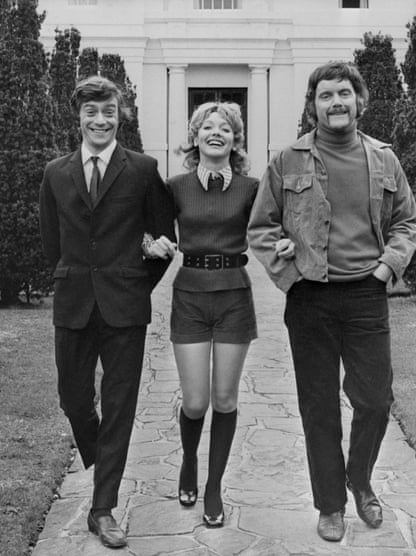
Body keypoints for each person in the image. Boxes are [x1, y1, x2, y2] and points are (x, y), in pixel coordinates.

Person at [247, 61, 416, 542]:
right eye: (326, 95)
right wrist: (288, 272)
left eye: (344, 93)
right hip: (311, 299)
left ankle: (359, 477)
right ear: (313, 104)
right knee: (318, 404)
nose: (336, 102)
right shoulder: (287, 161)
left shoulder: (384, 158)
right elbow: (261, 228)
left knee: (375, 399)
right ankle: (331, 504)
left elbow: (406, 221)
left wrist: (387, 266)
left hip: (366, 295)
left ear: (359, 101)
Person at [39, 76, 175, 549]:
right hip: (73, 303)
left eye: (109, 113)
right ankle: (103, 461)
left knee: (119, 409)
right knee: (74, 399)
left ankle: (103, 509)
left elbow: (163, 241)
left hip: (124, 309)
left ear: (121, 116)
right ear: (76, 117)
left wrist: (138, 282)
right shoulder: (56, 172)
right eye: (92, 113)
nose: (101, 121)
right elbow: (51, 243)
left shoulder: (141, 169)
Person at [147, 102, 258, 528]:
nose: (216, 132)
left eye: (225, 128)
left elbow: (270, 229)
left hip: (234, 296)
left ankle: (213, 486)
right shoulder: (174, 186)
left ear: (235, 138)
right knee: (195, 401)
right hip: (190, 295)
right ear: (194, 137)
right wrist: (148, 244)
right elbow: (152, 228)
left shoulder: (252, 187)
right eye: (207, 127)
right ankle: (189, 461)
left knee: (225, 399)